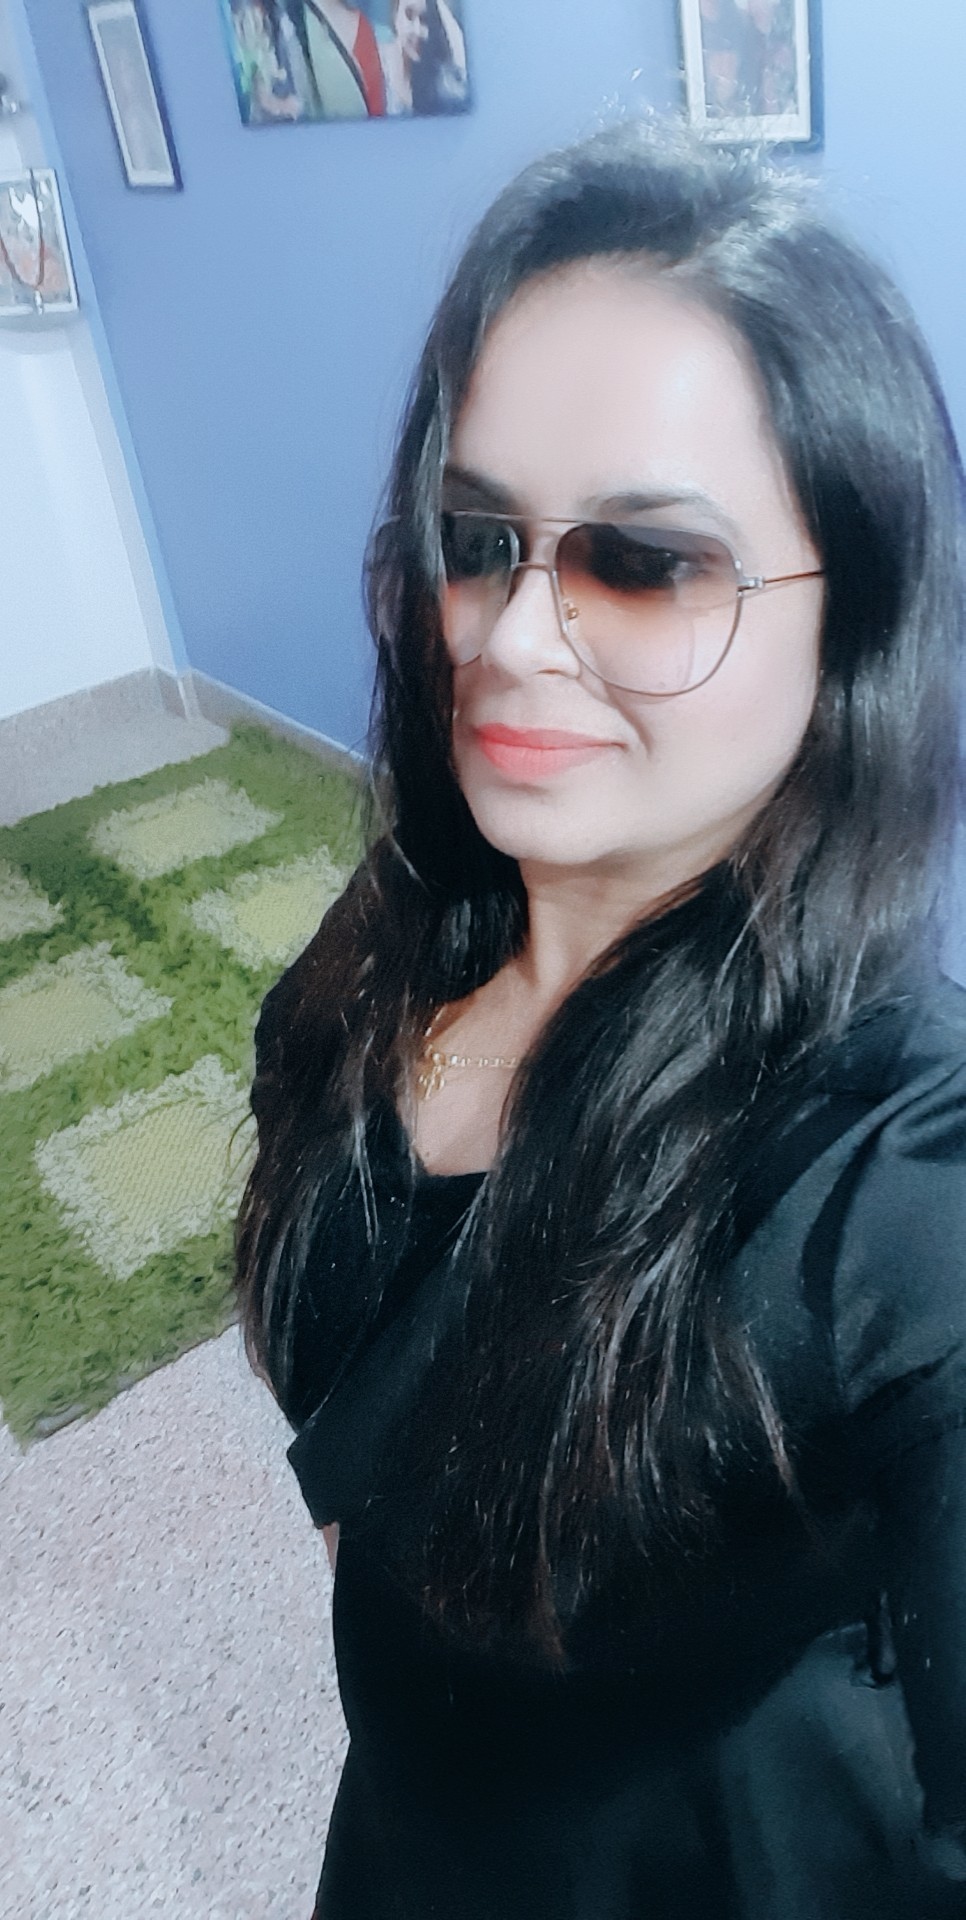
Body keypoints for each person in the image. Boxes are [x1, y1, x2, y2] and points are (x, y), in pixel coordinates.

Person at [236, 119, 966, 1918]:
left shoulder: (905, 1191)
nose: (510, 636)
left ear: (854, 619)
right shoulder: (379, 959)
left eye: (640, 561)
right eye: (476, 537)